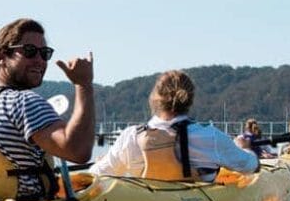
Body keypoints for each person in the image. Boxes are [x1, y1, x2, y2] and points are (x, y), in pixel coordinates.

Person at [0, 18, 95, 201]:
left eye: (44, 53)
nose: (39, 60)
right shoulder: (23, 102)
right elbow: (78, 151)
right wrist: (84, 85)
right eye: (29, 51)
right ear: (2, 56)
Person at [90, 70, 258, 180]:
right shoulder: (211, 137)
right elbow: (251, 166)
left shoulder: (131, 136)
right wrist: (245, 147)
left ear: (154, 99)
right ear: (190, 100)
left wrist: (104, 160)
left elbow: (97, 175)